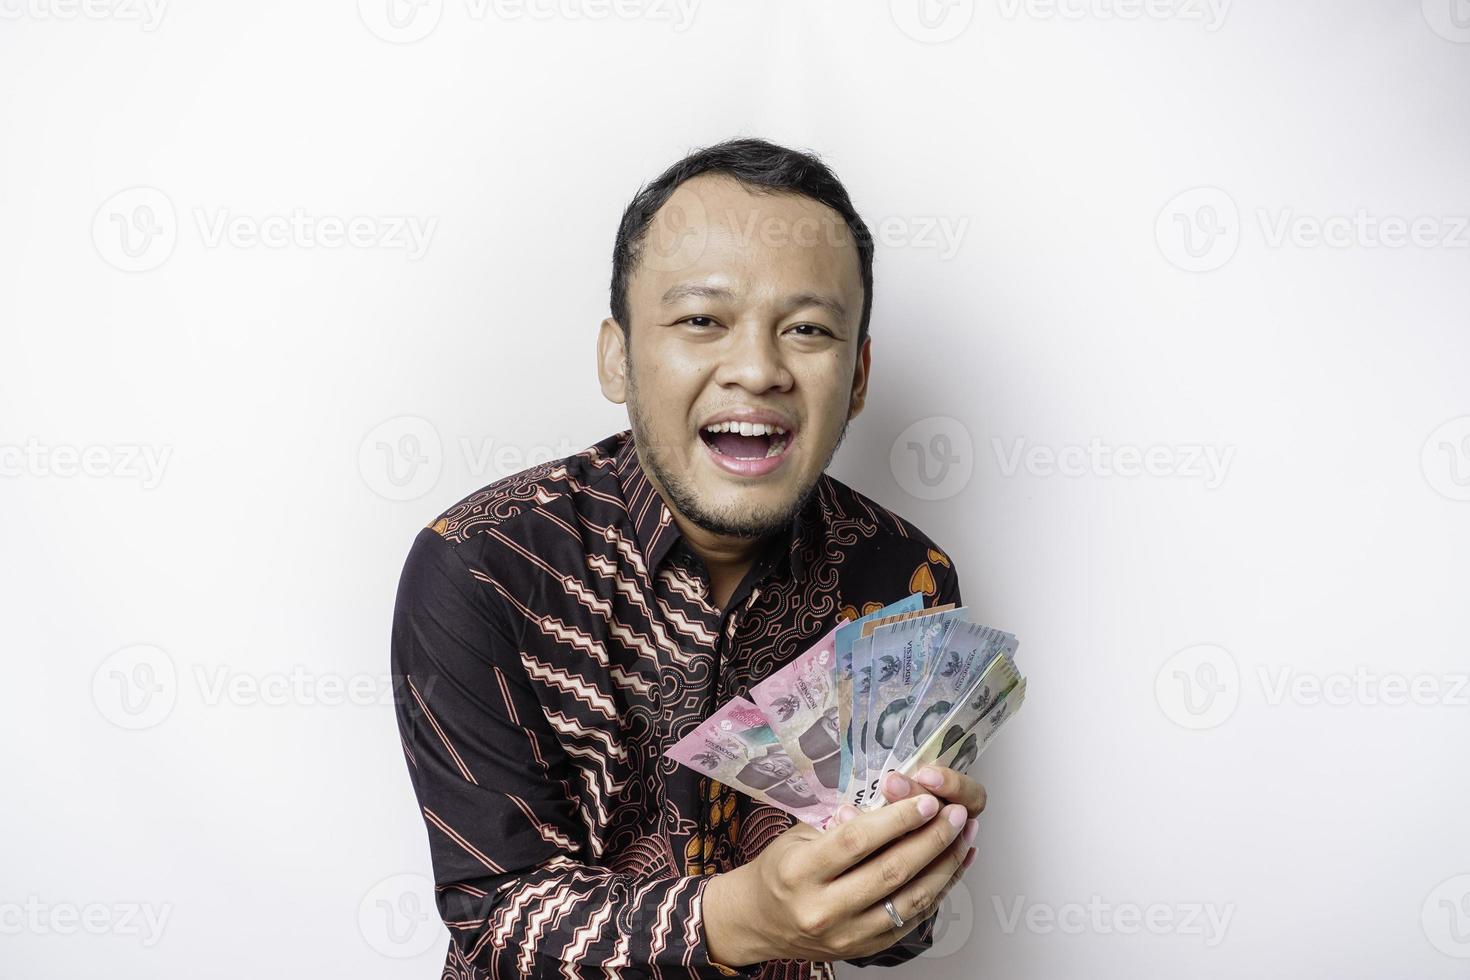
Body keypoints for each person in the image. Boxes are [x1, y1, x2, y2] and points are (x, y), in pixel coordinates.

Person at [390, 137, 987, 979]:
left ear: (856, 376)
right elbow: (494, 919)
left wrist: (905, 875)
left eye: (808, 329)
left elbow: (890, 935)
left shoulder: (904, 580)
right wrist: (744, 917)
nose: (757, 369)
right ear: (617, 356)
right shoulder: (483, 565)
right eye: (702, 319)